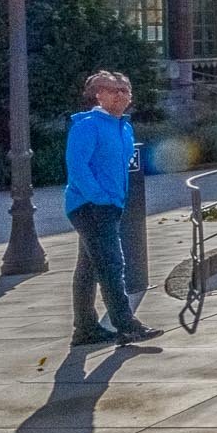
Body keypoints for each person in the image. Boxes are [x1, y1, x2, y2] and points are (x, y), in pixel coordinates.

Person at [65, 70, 160, 346]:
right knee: (111, 264)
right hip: (90, 207)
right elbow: (77, 167)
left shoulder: (124, 127)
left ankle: (85, 329)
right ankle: (126, 324)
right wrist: (100, 196)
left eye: (125, 90)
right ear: (99, 95)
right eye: (112, 89)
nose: (121, 94)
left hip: (109, 205)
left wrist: (113, 198)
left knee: (88, 268)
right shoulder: (87, 125)